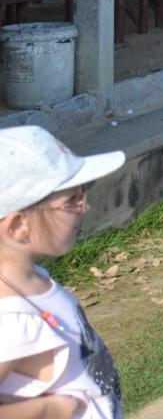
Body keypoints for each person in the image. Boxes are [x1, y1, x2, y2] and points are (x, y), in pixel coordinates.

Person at [0, 127, 127, 419]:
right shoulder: (10, 321)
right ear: (18, 226)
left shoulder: (34, 280)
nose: (85, 206)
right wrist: (50, 409)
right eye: (72, 200)